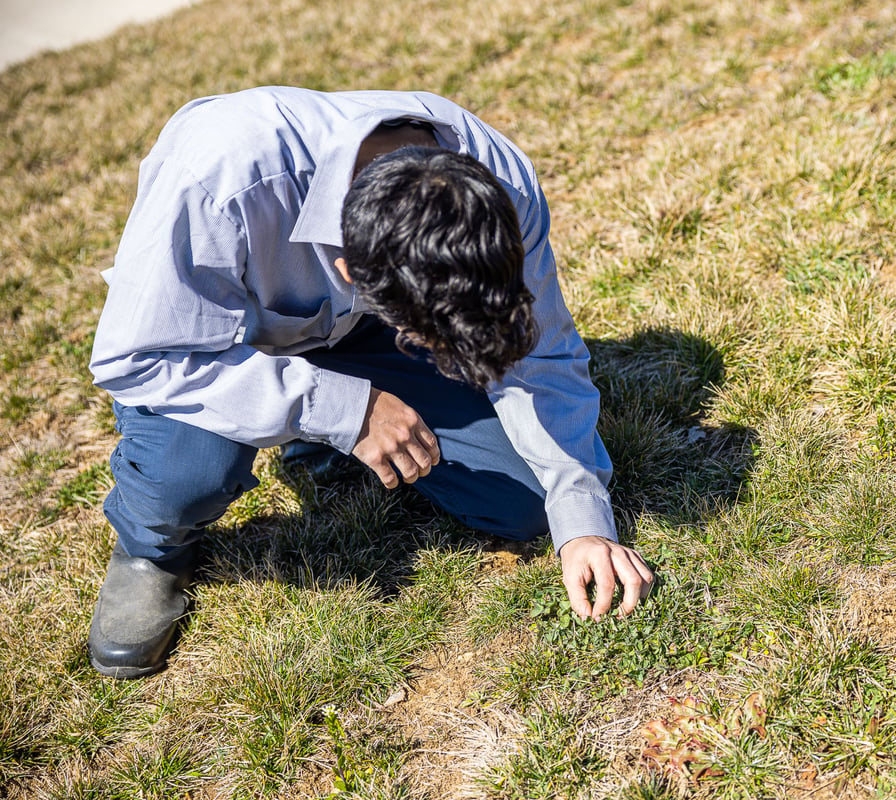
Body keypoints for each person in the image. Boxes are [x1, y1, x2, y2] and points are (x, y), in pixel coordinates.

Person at [86, 86, 655, 679]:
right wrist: (345, 410)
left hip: (357, 330)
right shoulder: (216, 176)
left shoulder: (495, 181)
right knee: (191, 475)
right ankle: (151, 547)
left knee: (526, 496)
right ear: (347, 272)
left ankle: (319, 428)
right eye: (429, 340)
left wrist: (582, 520)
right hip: (214, 348)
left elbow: (540, 350)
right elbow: (139, 358)